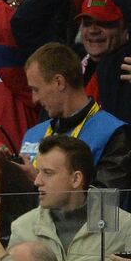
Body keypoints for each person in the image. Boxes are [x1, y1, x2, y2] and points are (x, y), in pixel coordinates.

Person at [9, 135, 131, 261]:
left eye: (47, 173)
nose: (37, 181)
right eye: (38, 171)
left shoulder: (124, 226)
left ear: (76, 179)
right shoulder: (22, 228)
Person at [21, 42, 131, 192]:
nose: (34, 99)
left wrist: (40, 181)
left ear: (59, 82)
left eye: (36, 89)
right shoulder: (33, 134)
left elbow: (104, 205)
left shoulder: (112, 133)